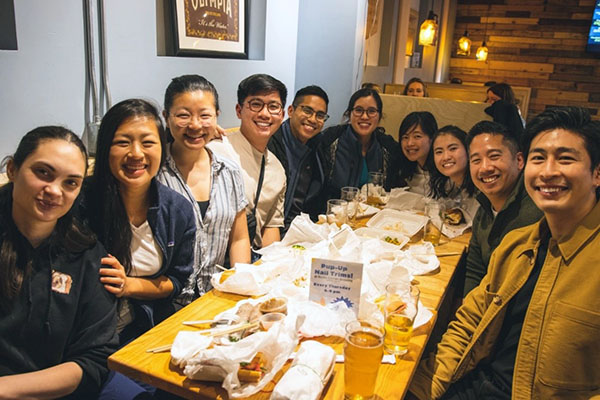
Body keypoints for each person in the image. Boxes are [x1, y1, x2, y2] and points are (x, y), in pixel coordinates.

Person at [409, 106, 600, 399]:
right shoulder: (517, 245)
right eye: (540, 158)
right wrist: (419, 388)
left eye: (565, 159)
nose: (548, 171)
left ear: (596, 174)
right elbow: (469, 322)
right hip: (480, 383)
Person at [0, 126, 118, 398]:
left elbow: (94, 358)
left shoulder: (87, 254)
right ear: (13, 169)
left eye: (70, 183)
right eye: (43, 172)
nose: (54, 190)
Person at [82, 99, 195, 342]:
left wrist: (128, 285)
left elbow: (176, 280)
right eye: (123, 142)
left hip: (147, 329)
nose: (136, 153)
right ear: (105, 149)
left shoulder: (178, 210)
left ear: (162, 149)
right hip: (88, 337)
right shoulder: (81, 204)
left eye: (147, 143)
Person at [158, 75, 250, 299]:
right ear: (166, 117)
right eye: (183, 115)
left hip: (216, 297)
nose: (195, 125)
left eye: (205, 115)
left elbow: (239, 238)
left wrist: (238, 285)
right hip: (166, 302)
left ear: (217, 116)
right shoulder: (155, 173)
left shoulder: (229, 171)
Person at [208, 74, 287, 251]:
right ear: (239, 110)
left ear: (282, 114)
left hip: (251, 262)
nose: (265, 114)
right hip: (214, 260)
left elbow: (271, 226)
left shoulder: (277, 169)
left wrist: (269, 268)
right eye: (256, 104)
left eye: (273, 107)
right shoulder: (216, 151)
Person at [463, 121, 542, 296]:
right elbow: (475, 270)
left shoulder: (539, 209)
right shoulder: (483, 210)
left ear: (519, 161)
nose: (485, 167)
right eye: (476, 160)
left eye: (494, 156)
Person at [318, 87, 401, 201]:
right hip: (335, 214)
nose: (364, 117)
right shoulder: (330, 141)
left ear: (379, 116)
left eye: (371, 111)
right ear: (349, 114)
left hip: (374, 215)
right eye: (358, 110)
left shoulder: (388, 147)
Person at [267, 85, 329, 232]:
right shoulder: (270, 142)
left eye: (320, 115)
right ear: (290, 111)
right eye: (307, 111)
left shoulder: (318, 145)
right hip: (271, 232)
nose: (313, 119)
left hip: (303, 232)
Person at [430, 125, 479, 216]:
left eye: (453, 149)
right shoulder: (448, 185)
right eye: (439, 152)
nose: (446, 157)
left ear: (468, 150)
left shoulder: (481, 187)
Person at [398, 111, 437, 195]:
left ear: (432, 139)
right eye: (405, 137)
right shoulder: (405, 171)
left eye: (417, 136)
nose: (410, 143)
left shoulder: (443, 173)